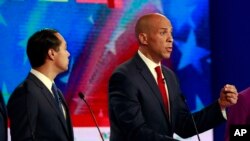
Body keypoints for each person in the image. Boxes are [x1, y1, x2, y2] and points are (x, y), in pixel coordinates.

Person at [108, 13, 238, 141]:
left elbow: (184, 125)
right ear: (144, 38)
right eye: (163, 33)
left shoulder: (169, 76)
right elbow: (136, 133)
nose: (170, 39)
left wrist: (220, 105)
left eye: (171, 33)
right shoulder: (124, 76)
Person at [7, 29, 74, 141]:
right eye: (65, 48)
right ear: (51, 53)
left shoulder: (58, 94)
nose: (68, 53)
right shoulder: (26, 93)